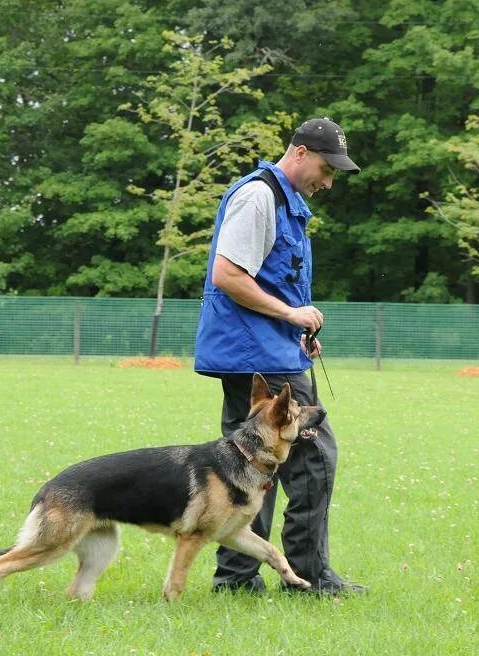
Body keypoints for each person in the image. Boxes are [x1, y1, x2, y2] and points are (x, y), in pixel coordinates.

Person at [193, 117, 366, 596]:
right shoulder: (260, 197)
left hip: (262, 351)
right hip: (258, 356)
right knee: (312, 461)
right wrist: (292, 315)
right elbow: (228, 275)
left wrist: (297, 329)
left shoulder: (282, 201)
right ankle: (309, 579)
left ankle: (236, 580)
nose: (328, 182)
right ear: (300, 152)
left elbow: (270, 281)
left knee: (247, 467)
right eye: (327, 169)